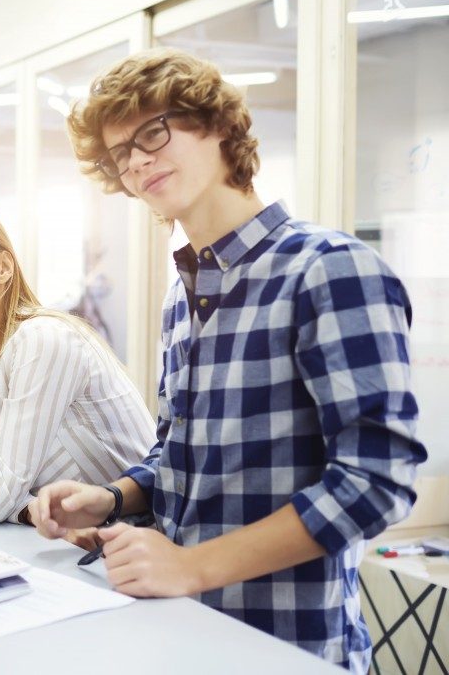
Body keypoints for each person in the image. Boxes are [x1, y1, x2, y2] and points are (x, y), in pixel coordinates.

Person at [30, 47, 426, 672]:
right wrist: (112, 498)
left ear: (216, 124)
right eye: (120, 154)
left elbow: (377, 482)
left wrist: (189, 567)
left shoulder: (328, 270)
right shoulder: (183, 299)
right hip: (179, 632)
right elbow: (182, 457)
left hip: (286, 646)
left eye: (153, 132)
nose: (136, 162)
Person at [0, 202, 154, 525]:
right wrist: (28, 510)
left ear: (4, 267)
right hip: (76, 544)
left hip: (145, 539)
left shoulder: (42, 339)